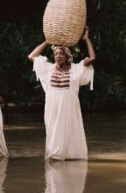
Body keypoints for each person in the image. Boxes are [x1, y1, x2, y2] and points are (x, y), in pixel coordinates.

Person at [27, 27, 95, 160]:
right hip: (53, 105)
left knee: (69, 129)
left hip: (68, 105)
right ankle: (55, 157)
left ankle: (69, 156)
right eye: (56, 54)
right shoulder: (49, 68)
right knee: (53, 130)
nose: (58, 56)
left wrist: (86, 39)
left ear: (67, 56)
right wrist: (47, 41)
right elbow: (32, 56)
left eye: (61, 54)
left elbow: (92, 58)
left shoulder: (75, 69)